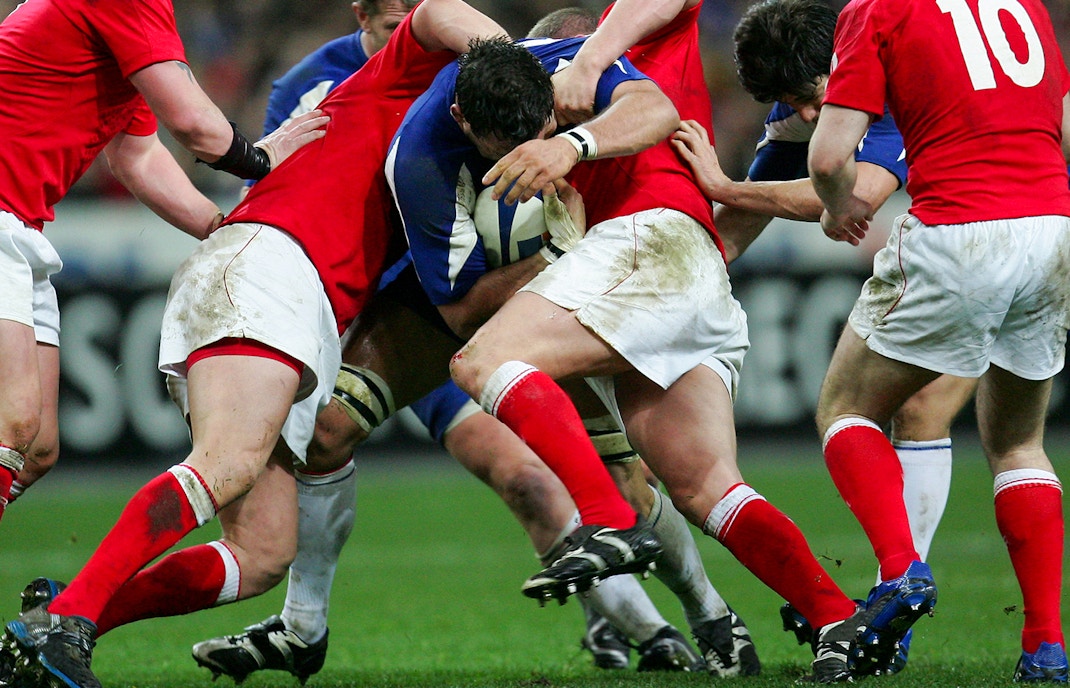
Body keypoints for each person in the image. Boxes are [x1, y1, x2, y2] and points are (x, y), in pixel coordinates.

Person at [186, 5, 713, 679]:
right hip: (420, 294)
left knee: (560, 479)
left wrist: (572, 140)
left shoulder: (504, 68)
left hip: (539, 286)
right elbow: (291, 183)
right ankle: (302, 627)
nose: (412, 27)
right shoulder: (333, 96)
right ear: (362, 16)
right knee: (327, 435)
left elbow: (648, 105)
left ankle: (685, 623)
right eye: (393, 19)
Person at [0, 2, 509, 687]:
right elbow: (435, 14)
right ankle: (70, 620)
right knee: (218, 461)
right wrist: (533, 70)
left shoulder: (455, 155)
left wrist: (222, 227)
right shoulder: (406, 75)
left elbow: (138, 152)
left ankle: (64, 615)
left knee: (262, 552)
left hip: (279, 286)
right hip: (272, 271)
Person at [391, 0, 865, 681]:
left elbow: (650, 99)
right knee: (704, 488)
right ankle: (836, 618)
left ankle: (605, 519)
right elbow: (463, 304)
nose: (545, 130)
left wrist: (579, 103)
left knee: (481, 362)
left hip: (648, 244)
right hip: (682, 272)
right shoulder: (435, 152)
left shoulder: (591, 63)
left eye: (551, 117)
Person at [668, 0, 976, 673]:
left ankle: (902, 590)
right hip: (1001, 230)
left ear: (840, 60)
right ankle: (1021, 638)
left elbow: (854, 195)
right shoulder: (798, 108)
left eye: (812, 96)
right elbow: (735, 228)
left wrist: (721, 184)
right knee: (933, 415)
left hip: (994, 224)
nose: (808, 116)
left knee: (865, 411)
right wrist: (660, 292)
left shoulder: (888, 71)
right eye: (790, 104)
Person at [806, 0, 1070, 679]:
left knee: (846, 408)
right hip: (1051, 223)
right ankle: (1045, 645)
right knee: (1019, 442)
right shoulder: (1024, 5)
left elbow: (830, 156)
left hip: (959, 226)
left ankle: (900, 572)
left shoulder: (877, 9)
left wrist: (836, 207)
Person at [0, 0, 325, 525]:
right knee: (11, 426)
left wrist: (224, 228)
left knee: (34, 448)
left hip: (18, 226)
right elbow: (194, 125)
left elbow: (138, 156)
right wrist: (262, 159)